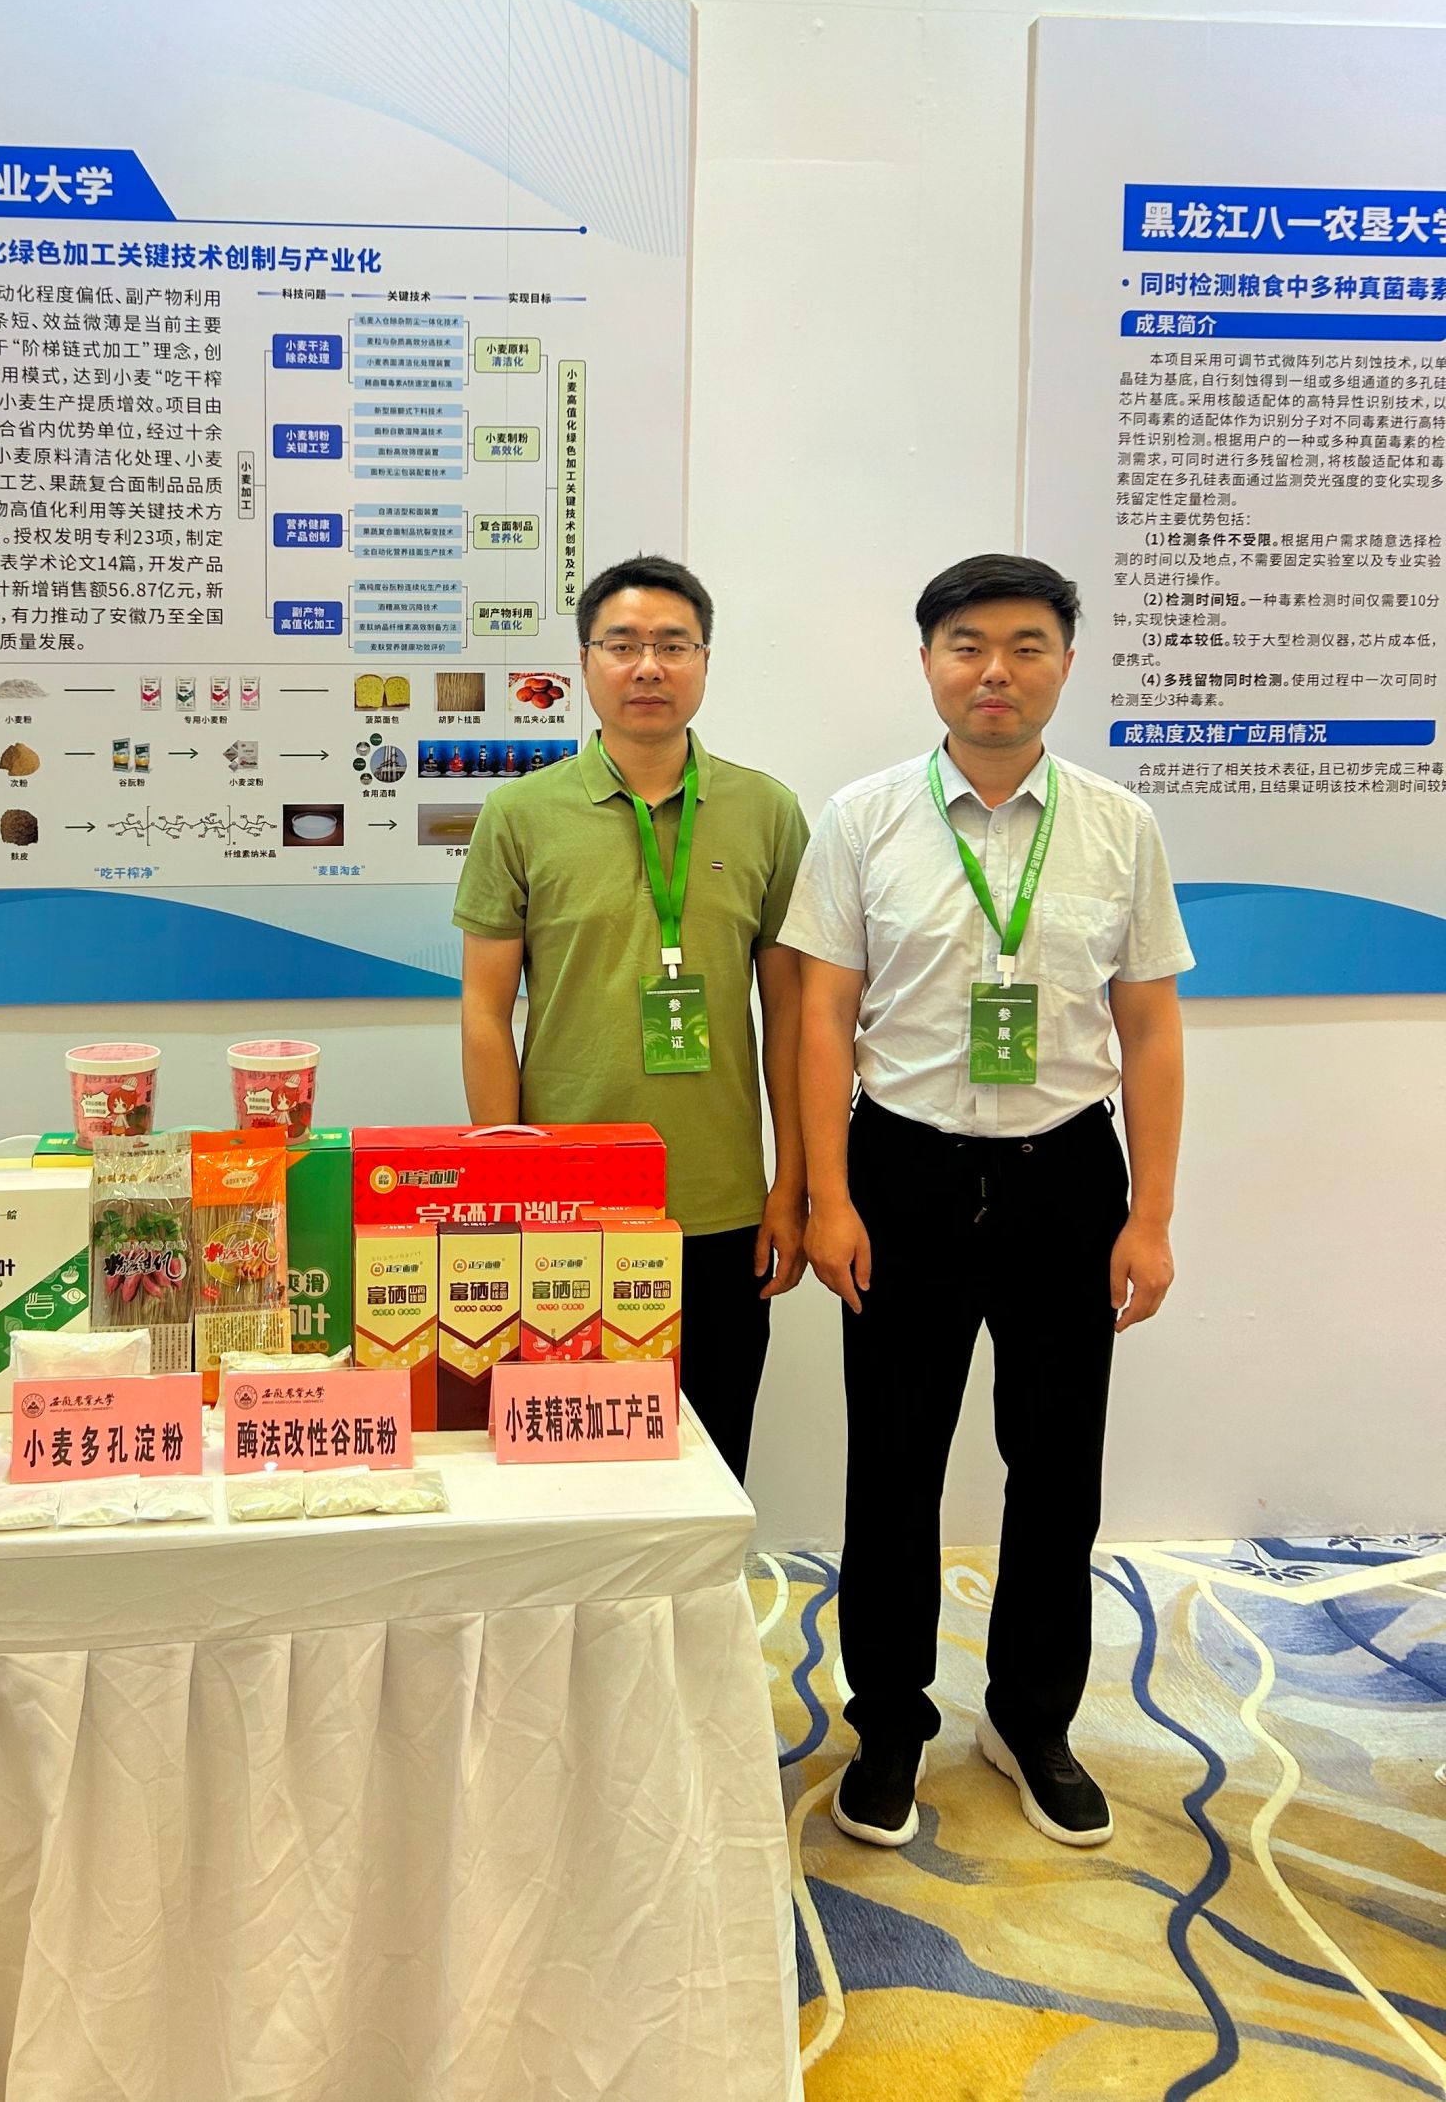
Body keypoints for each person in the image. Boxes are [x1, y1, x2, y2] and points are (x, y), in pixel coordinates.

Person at [780, 552, 1189, 1851]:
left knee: (1057, 1472)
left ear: (1065, 662)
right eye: (967, 645)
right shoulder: (863, 819)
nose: (994, 671)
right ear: (928, 663)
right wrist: (829, 1194)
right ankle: (887, 1727)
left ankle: (1030, 1718)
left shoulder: (1119, 824)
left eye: (1024, 645)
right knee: (892, 1468)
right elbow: (823, 1014)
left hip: (1066, 1177)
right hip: (900, 1173)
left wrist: (1150, 1215)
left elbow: (1150, 1027)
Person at [454, 554, 809, 1483]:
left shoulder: (767, 812)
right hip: (564, 1197)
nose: (648, 666)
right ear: (585, 662)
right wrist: (507, 1181)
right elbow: (485, 1011)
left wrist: (791, 1185)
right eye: (622, 644)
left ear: (704, 661)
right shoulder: (519, 814)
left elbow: (792, 1015)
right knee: (566, 1455)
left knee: (713, 1453)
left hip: (721, 1201)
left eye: (673, 645)